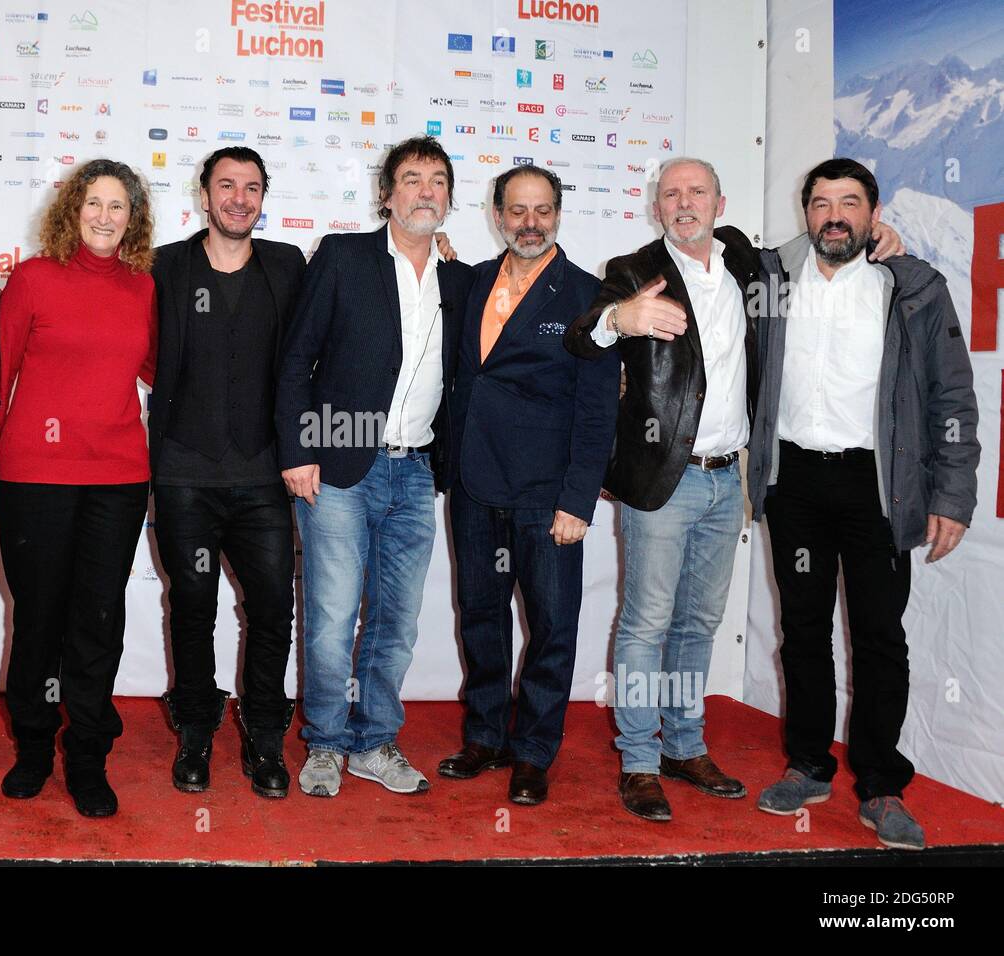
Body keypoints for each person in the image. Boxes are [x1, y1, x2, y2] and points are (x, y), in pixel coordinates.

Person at [565, 158, 904, 823]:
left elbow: (833, 237)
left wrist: (885, 238)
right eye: (672, 194)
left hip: (731, 481)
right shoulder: (631, 270)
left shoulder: (752, 264)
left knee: (698, 623)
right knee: (645, 622)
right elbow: (584, 338)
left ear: (720, 203)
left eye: (697, 192)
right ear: (655, 206)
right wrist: (621, 318)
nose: (684, 203)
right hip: (664, 479)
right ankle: (638, 757)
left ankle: (683, 745)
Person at [748, 158, 979, 851]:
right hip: (795, 484)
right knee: (805, 629)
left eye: (850, 202)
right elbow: (696, 248)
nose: (835, 216)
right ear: (805, 212)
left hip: (879, 488)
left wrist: (955, 495)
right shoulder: (769, 279)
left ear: (875, 214)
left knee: (880, 638)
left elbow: (952, 398)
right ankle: (809, 764)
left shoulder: (913, 287)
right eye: (821, 203)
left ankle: (880, 785)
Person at [275, 135, 474, 797]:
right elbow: (296, 359)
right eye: (412, 179)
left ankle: (374, 740)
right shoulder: (342, 256)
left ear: (448, 198)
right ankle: (327, 744)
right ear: (386, 194)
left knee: (398, 620)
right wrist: (299, 450)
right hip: (337, 465)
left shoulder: (461, 279)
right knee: (332, 617)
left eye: (438, 181)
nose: (426, 191)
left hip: (415, 472)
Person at [0, 159, 158, 818]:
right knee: (39, 619)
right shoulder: (33, 279)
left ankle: (86, 756)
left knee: (97, 623)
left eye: (118, 207)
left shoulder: (145, 289)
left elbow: (168, 369)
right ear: (72, 210)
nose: (106, 217)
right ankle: (31, 747)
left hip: (117, 480)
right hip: (33, 477)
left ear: (132, 219)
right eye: (95, 204)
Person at [438, 165, 619, 805]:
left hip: (548, 498)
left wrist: (578, 499)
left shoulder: (589, 299)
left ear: (559, 214)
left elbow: (599, 410)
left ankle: (534, 751)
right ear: (497, 215)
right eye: (517, 211)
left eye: (542, 210)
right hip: (474, 485)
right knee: (482, 618)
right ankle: (486, 735)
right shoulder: (472, 283)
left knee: (551, 625)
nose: (530, 223)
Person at [148, 147, 306, 798]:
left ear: (263, 196)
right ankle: (195, 735)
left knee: (272, 610)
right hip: (184, 474)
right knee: (191, 609)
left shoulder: (288, 265)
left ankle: (265, 741)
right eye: (227, 186)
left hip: (266, 475)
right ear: (204, 194)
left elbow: (323, 339)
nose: (239, 198)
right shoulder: (167, 265)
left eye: (252, 187)